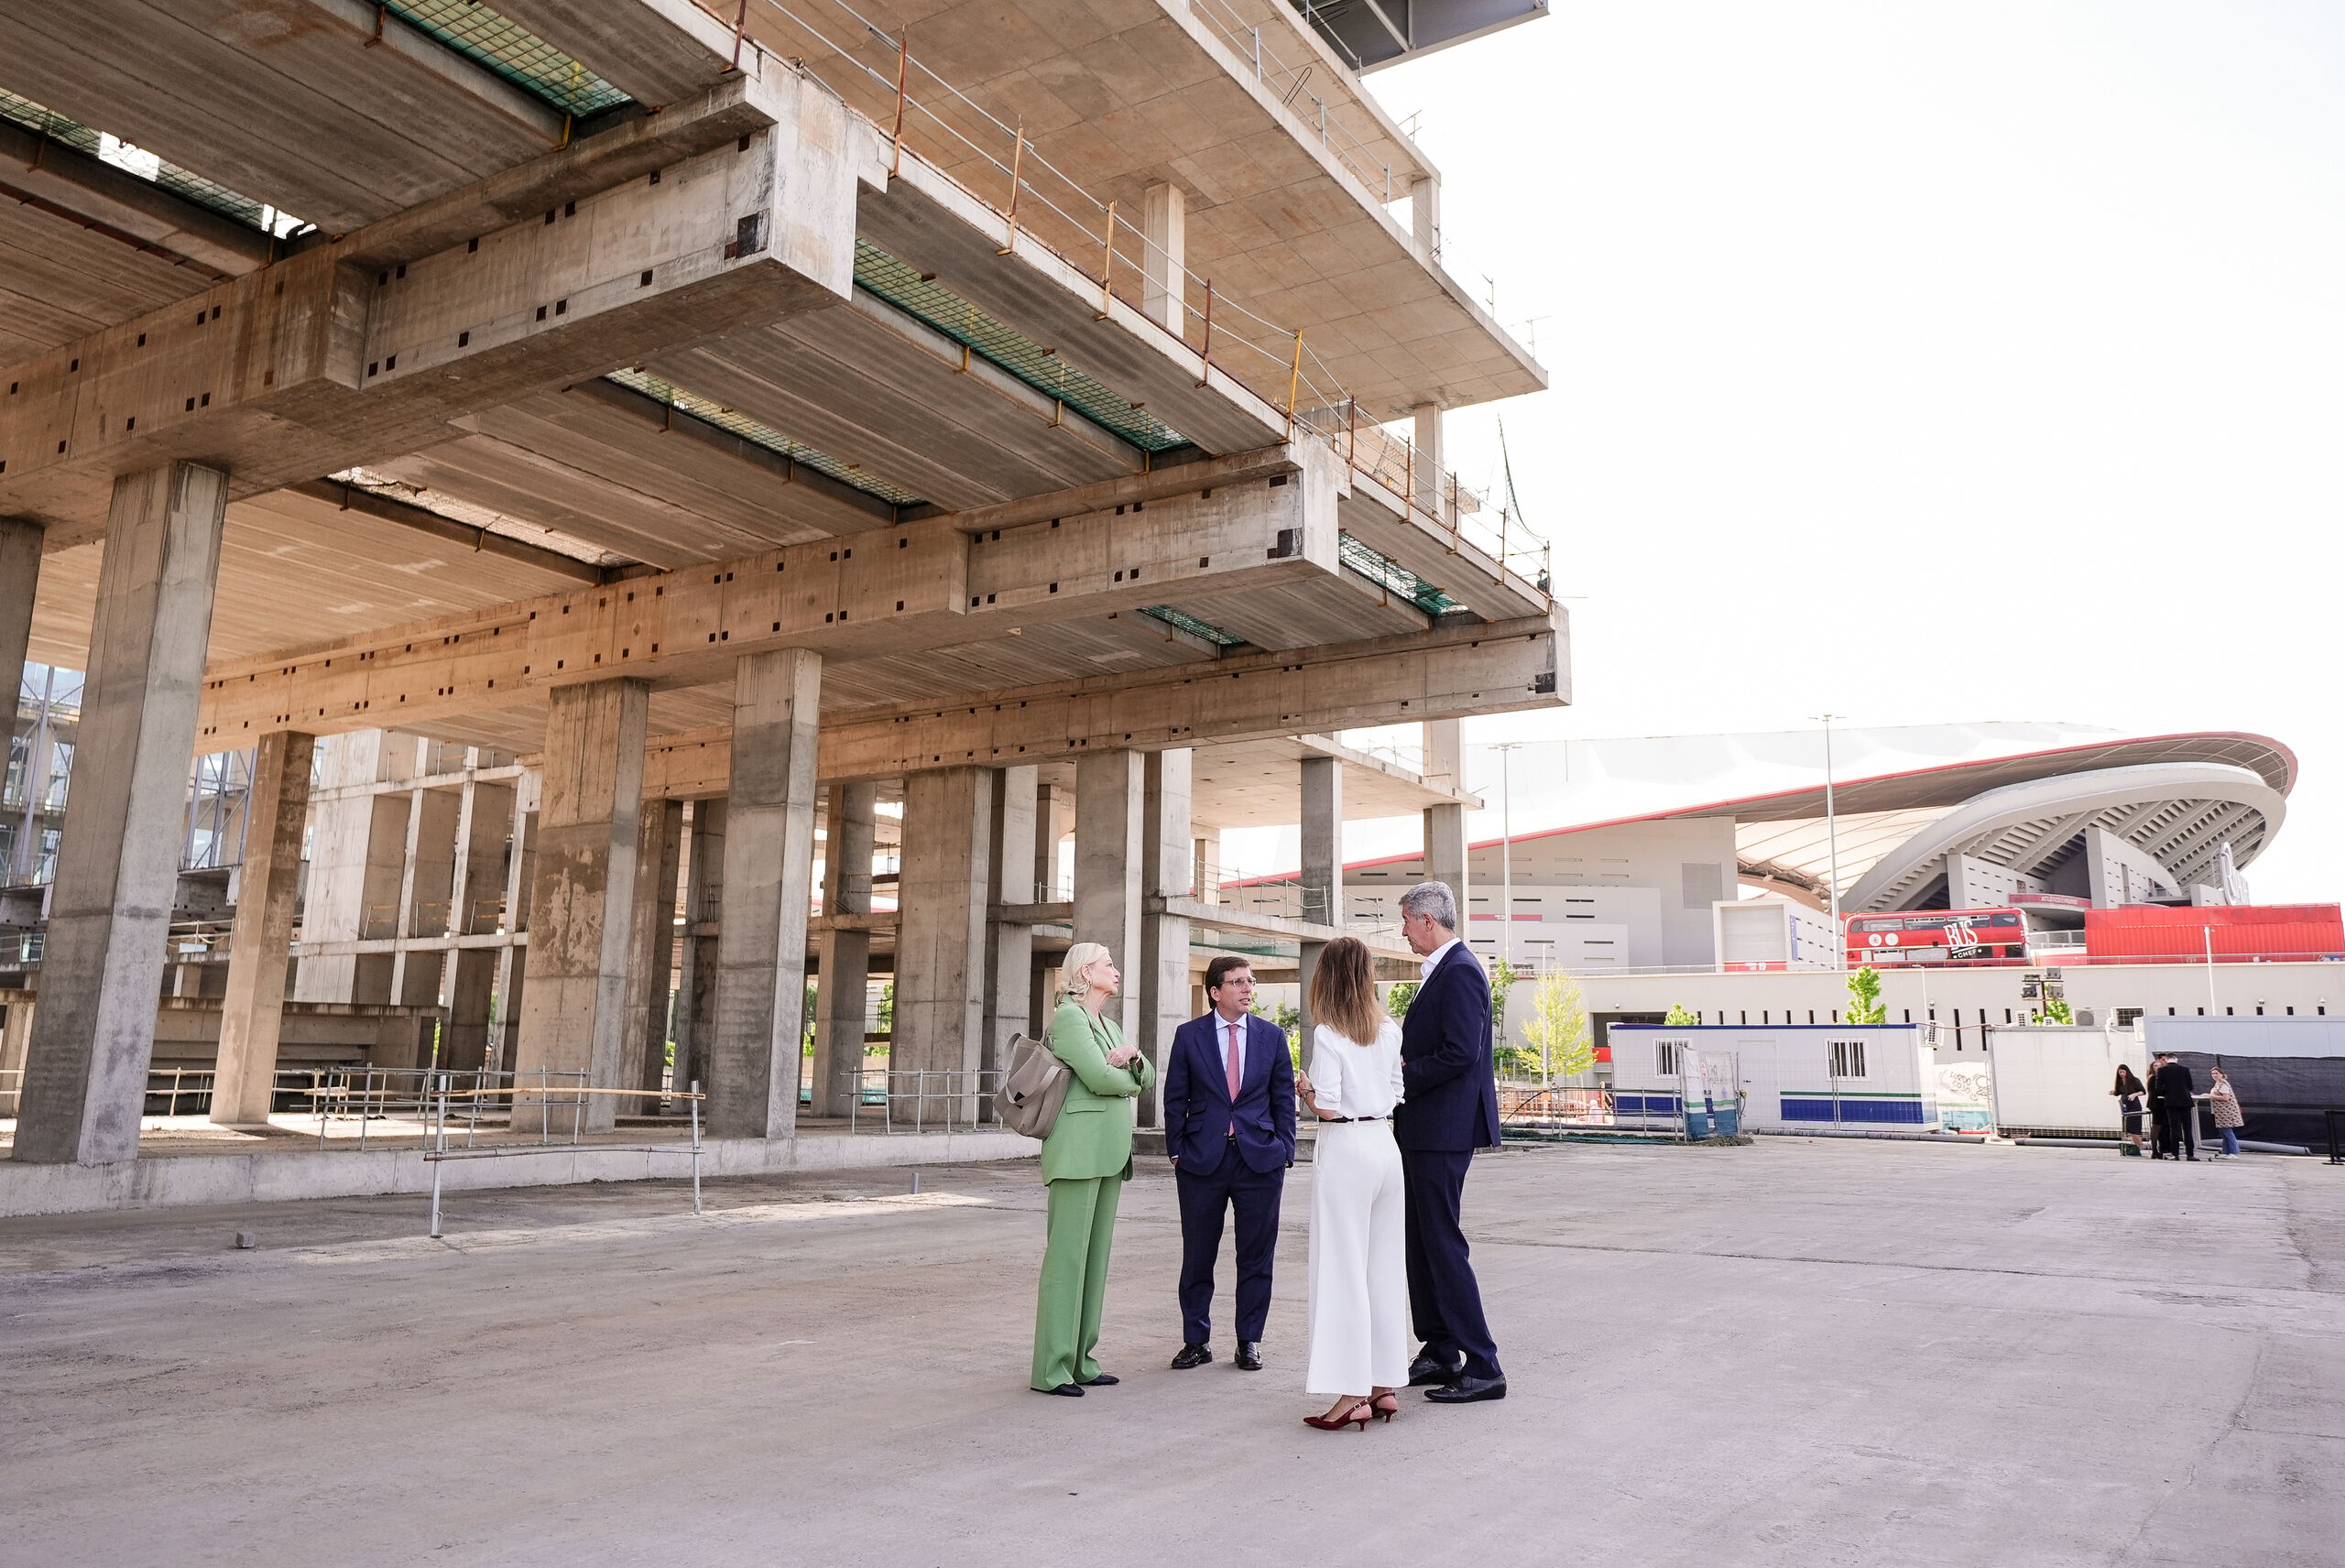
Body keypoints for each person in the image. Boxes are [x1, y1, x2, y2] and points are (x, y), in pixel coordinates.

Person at [1391, 879, 1506, 1404]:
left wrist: (1401, 1076)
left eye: (1406, 922)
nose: (1404, 932)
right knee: (1420, 1243)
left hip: (1442, 1130)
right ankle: (1439, 1349)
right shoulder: (1445, 969)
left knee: (1441, 1242)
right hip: (1426, 1129)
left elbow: (1461, 1052)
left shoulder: (1459, 971)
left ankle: (1483, 1364)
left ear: (1427, 920)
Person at [1030, 942, 1157, 1396]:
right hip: (1077, 1153)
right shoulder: (1069, 1018)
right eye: (1108, 964)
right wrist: (1128, 1076)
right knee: (1066, 1261)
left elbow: (1149, 1076)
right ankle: (1052, 1369)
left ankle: (1082, 1360)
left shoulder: (1110, 1024)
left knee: (1094, 1262)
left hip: (1109, 1154)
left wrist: (1132, 1057)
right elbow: (1101, 1078)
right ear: (1085, 972)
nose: (1116, 971)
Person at [1293, 936, 1409, 1432]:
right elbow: (1397, 1091)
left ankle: (1352, 1392)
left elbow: (1327, 1106)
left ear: (1328, 977)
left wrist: (1305, 1090)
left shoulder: (1328, 1034)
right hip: (1385, 1145)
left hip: (1346, 1148)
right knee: (1383, 1268)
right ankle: (1383, 1385)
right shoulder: (1390, 1029)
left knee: (1342, 1270)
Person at [1162, 955, 1295, 1371]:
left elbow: (1283, 1098)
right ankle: (1196, 1341)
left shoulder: (1272, 1036)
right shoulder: (1189, 1036)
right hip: (1202, 1162)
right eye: (1237, 982)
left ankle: (1248, 1340)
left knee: (1256, 1256)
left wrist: (1285, 1150)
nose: (1247, 988)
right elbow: (1174, 1098)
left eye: (1250, 981)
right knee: (1198, 1255)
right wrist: (1177, 1150)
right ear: (1215, 991)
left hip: (1260, 1161)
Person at [2151, 1051, 2198, 1161]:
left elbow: (2158, 1088)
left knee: (2174, 1129)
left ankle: (2175, 1154)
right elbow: (2190, 1086)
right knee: (2187, 1128)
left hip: (2171, 1102)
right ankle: (2190, 1154)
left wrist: (2167, 1093)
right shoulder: (2185, 1070)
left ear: (2167, 1059)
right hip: (2185, 1101)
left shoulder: (2162, 1070)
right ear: (2176, 1059)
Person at [2208, 1065, 2244, 1159]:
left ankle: (2234, 1152)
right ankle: (2226, 1151)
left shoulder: (2223, 1084)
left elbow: (2225, 1097)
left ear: (2222, 1074)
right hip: (2219, 1113)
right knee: (2223, 1132)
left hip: (2226, 1112)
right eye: (2212, 1073)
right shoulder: (2217, 1084)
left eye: (2216, 1073)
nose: (2214, 1075)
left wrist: (2210, 1096)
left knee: (2227, 1132)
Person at [2111, 1063, 2147, 1157]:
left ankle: (2140, 1144)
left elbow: (2143, 1091)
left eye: (2123, 1072)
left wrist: (2134, 1095)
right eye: (2120, 1072)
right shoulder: (2120, 1082)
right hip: (2125, 1106)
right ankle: (2137, 1146)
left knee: (2135, 1127)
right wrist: (2114, 1092)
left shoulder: (2134, 1080)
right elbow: (2119, 1092)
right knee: (2129, 1128)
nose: (2122, 1074)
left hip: (2134, 1106)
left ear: (2127, 1072)